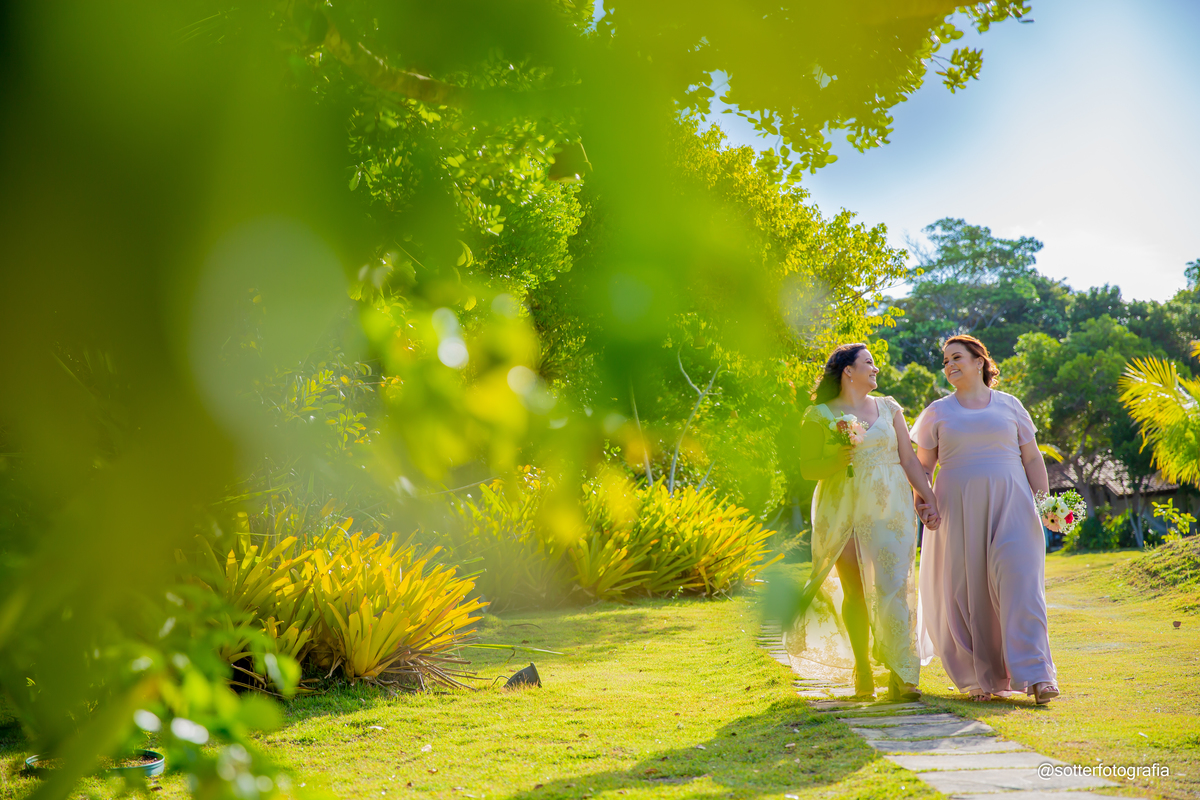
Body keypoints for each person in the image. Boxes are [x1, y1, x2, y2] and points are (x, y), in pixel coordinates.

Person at [784, 343, 940, 700]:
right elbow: (808, 469)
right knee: (854, 590)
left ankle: (903, 674)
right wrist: (838, 459)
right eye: (868, 363)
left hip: (890, 507)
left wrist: (928, 497)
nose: (876, 369)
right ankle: (863, 668)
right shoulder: (818, 415)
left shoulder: (889, 407)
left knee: (893, 586)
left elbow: (909, 459)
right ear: (848, 371)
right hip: (842, 508)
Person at [912, 334, 1060, 704]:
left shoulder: (1010, 405)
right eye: (945, 361)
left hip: (1014, 505)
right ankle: (979, 677)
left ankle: (1038, 675)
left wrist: (1045, 505)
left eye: (956, 357)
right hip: (957, 510)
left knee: (1022, 585)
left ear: (980, 361)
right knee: (968, 593)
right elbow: (923, 468)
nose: (949, 365)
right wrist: (924, 503)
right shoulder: (937, 412)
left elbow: (1032, 458)